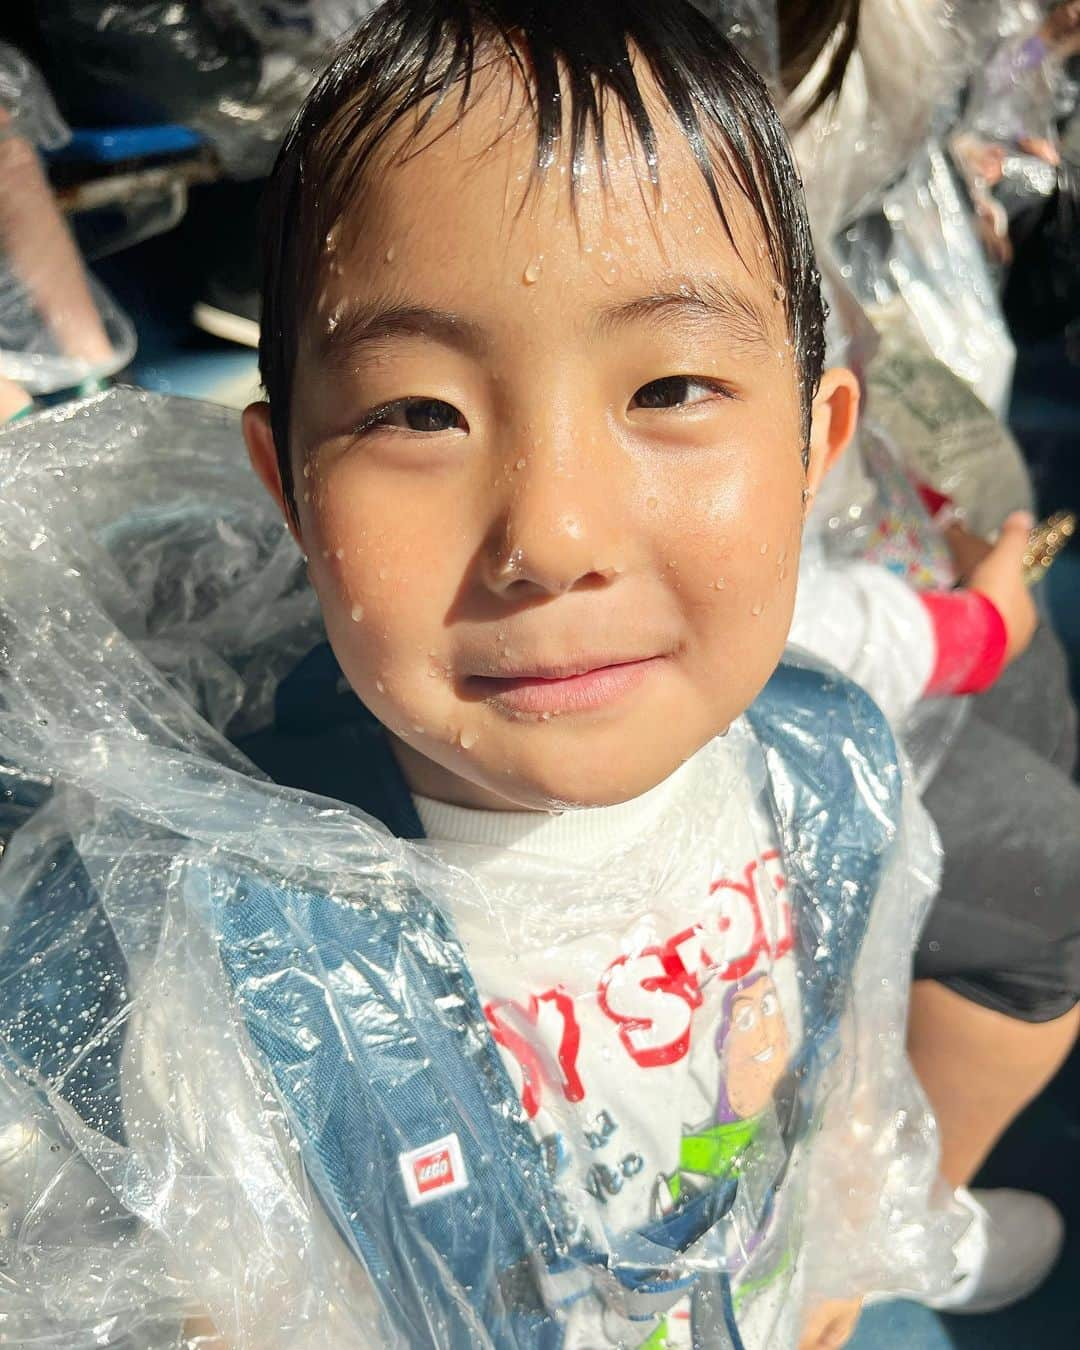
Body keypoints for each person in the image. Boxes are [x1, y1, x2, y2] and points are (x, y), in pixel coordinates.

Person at [0, 2, 1024, 1347]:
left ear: (814, 443)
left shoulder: (836, 774)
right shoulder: (211, 961)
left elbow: (829, 1070)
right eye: (420, 411)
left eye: (668, 389)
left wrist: (832, 1247)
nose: (553, 536)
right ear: (290, 489)